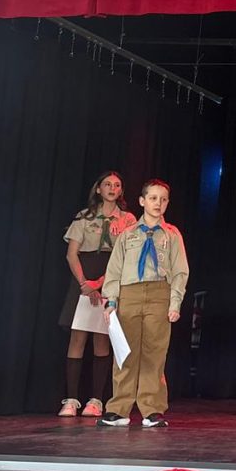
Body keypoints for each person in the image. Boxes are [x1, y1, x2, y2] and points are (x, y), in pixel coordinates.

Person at [98, 179, 189, 428]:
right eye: (153, 198)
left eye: (163, 199)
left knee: (154, 353)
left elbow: (180, 271)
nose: (158, 203)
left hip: (159, 293)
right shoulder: (127, 234)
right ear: (142, 201)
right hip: (129, 294)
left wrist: (175, 303)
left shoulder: (172, 235)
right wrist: (111, 301)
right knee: (125, 352)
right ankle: (119, 409)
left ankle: (152, 409)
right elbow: (114, 270)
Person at [58, 171, 136, 418]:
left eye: (117, 185)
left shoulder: (128, 219)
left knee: (102, 339)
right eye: (107, 184)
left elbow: (126, 256)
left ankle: (96, 400)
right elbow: (72, 254)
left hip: (110, 279)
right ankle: (71, 399)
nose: (112, 188)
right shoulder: (84, 217)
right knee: (77, 338)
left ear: (121, 191)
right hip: (83, 279)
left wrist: (101, 283)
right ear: (98, 189)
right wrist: (84, 283)